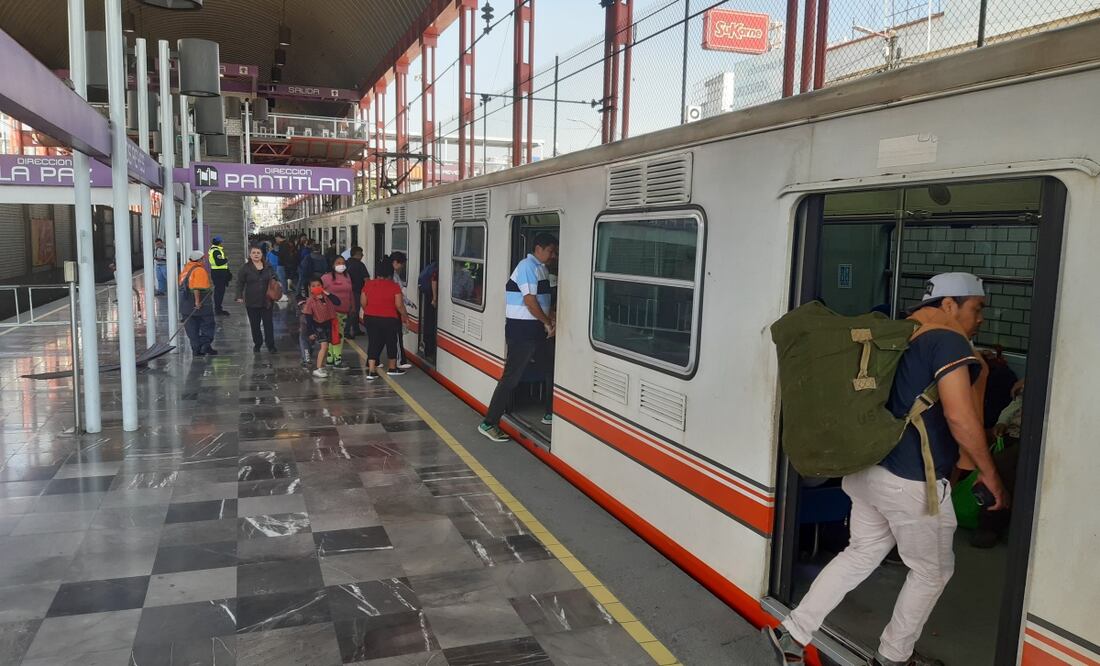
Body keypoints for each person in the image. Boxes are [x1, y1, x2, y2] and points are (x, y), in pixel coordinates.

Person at [767, 272, 1010, 666]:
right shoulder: (946, 341)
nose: (981, 318)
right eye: (977, 308)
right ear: (949, 305)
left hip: (867, 470)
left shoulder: (895, 335)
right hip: (911, 482)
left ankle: (792, 633)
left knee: (860, 553)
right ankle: (894, 658)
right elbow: (961, 418)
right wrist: (991, 474)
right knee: (932, 573)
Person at [478, 233, 558, 442]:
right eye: (550, 250)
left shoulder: (542, 269)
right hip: (522, 332)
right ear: (538, 249)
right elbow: (530, 302)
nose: (553, 255)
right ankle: (488, 423)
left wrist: (550, 317)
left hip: (535, 332)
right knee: (511, 378)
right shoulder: (526, 267)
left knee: (551, 368)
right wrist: (547, 322)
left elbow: (543, 300)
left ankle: (551, 412)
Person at [361, 259, 410, 379]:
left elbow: (363, 302)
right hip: (389, 319)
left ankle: (372, 371)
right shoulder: (394, 286)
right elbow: (399, 305)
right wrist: (405, 315)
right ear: (390, 273)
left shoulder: (368, 284)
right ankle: (392, 368)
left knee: (373, 342)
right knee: (391, 342)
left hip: (370, 317)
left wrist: (371, 310)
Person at [235, 246, 278, 353]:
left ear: (262, 254)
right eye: (253, 253)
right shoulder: (245, 268)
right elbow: (239, 283)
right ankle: (257, 343)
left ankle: (270, 345)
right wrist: (239, 296)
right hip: (252, 300)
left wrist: (276, 286)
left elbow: (275, 278)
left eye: (258, 252)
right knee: (255, 324)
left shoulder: (268, 266)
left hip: (267, 300)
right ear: (250, 255)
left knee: (268, 323)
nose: (256, 254)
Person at [300, 277, 340, 378]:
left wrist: (327, 293)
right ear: (309, 288)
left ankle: (321, 366)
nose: (316, 287)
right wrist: (310, 332)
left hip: (329, 324)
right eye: (313, 286)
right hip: (319, 326)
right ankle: (318, 368)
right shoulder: (310, 301)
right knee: (324, 346)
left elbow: (337, 302)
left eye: (318, 285)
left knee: (327, 347)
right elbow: (308, 318)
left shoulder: (326, 297)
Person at [179, 250, 217, 356]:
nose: (204, 260)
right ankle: (205, 345)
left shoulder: (186, 269)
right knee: (208, 324)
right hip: (201, 303)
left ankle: (196, 350)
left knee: (192, 329)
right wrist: (197, 302)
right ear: (199, 259)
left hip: (185, 305)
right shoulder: (199, 270)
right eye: (203, 258)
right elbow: (196, 288)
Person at [321, 257, 354, 370]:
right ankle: (337, 360)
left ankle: (330, 359)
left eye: (343, 263)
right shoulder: (326, 278)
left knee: (334, 335)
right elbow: (317, 291)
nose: (341, 265)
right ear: (333, 265)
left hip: (344, 311)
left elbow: (350, 292)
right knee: (338, 335)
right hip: (331, 312)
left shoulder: (347, 276)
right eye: (338, 263)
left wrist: (352, 305)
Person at [386, 252, 414, 369]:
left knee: (383, 337)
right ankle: (399, 361)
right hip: (393, 309)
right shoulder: (392, 276)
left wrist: (408, 302)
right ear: (395, 262)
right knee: (397, 336)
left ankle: (373, 361)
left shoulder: (391, 274)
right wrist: (405, 310)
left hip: (389, 309)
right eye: (401, 264)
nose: (402, 267)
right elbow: (398, 294)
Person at [344, 246, 370, 338]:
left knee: (350, 311)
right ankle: (347, 331)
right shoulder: (360, 265)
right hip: (356, 291)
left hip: (345, 291)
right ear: (357, 254)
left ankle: (356, 329)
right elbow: (366, 279)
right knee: (354, 312)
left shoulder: (346, 263)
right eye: (361, 254)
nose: (363, 255)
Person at [417, 259, 439, 358]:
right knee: (430, 323)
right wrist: (434, 298)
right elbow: (434, 280)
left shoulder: (434, 265)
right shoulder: (438, 267)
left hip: (429, 294)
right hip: (432, 296)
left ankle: (428, 348)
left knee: (429, 322)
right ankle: (429, 349)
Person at [208, 236, 231, 316]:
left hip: (218, 272)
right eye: (221, 242)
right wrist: (226, 259)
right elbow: (219, 262)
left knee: (219, 291)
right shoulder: (216, 251)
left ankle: (218, 308)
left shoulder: (214, 250)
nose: (222, 243)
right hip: (219, 273)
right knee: (219, 292)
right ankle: (218, 309)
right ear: (219, 242)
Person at [266, 239, 287, 303]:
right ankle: (282, 292)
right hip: (278, 267)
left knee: (274, 281)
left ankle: (275, 293)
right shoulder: (281, 253)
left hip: (272, 268)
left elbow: (267, 261)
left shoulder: (269, 253)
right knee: (281, 280)